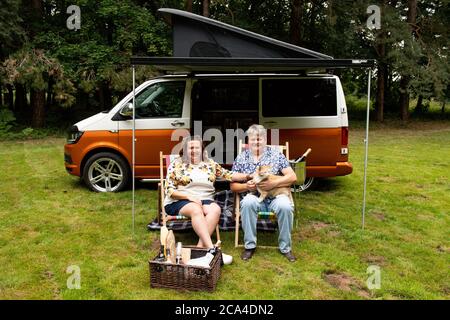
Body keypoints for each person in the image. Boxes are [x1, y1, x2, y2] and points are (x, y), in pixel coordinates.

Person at [163, 135, 252, 265]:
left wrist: (249, 176)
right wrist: (189, 197)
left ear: (202, 149)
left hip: (205, 199)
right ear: (185, 149)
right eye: (190, 147)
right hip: (179, 199)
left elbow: (229, 175)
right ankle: (212, 250)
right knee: (196, 209)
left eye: (196, 147)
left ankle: (200, 250)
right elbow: (169, 190)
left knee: (215, 209)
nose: (194, 150)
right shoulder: (177, 164)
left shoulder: (210, 164)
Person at [231, 124, 298, 262]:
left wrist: (274, 183)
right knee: (248, 203)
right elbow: (233, 186)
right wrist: (246, 187)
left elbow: (292, 177)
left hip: (276, 196)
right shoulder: (241, 158)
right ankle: (249, 246)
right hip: (255, 197)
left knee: (285, 206)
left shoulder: (276, 155)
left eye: (259, 138)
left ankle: (286, 247)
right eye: (253, 139)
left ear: (265, 140)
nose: (256, 142)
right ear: (248, 141)